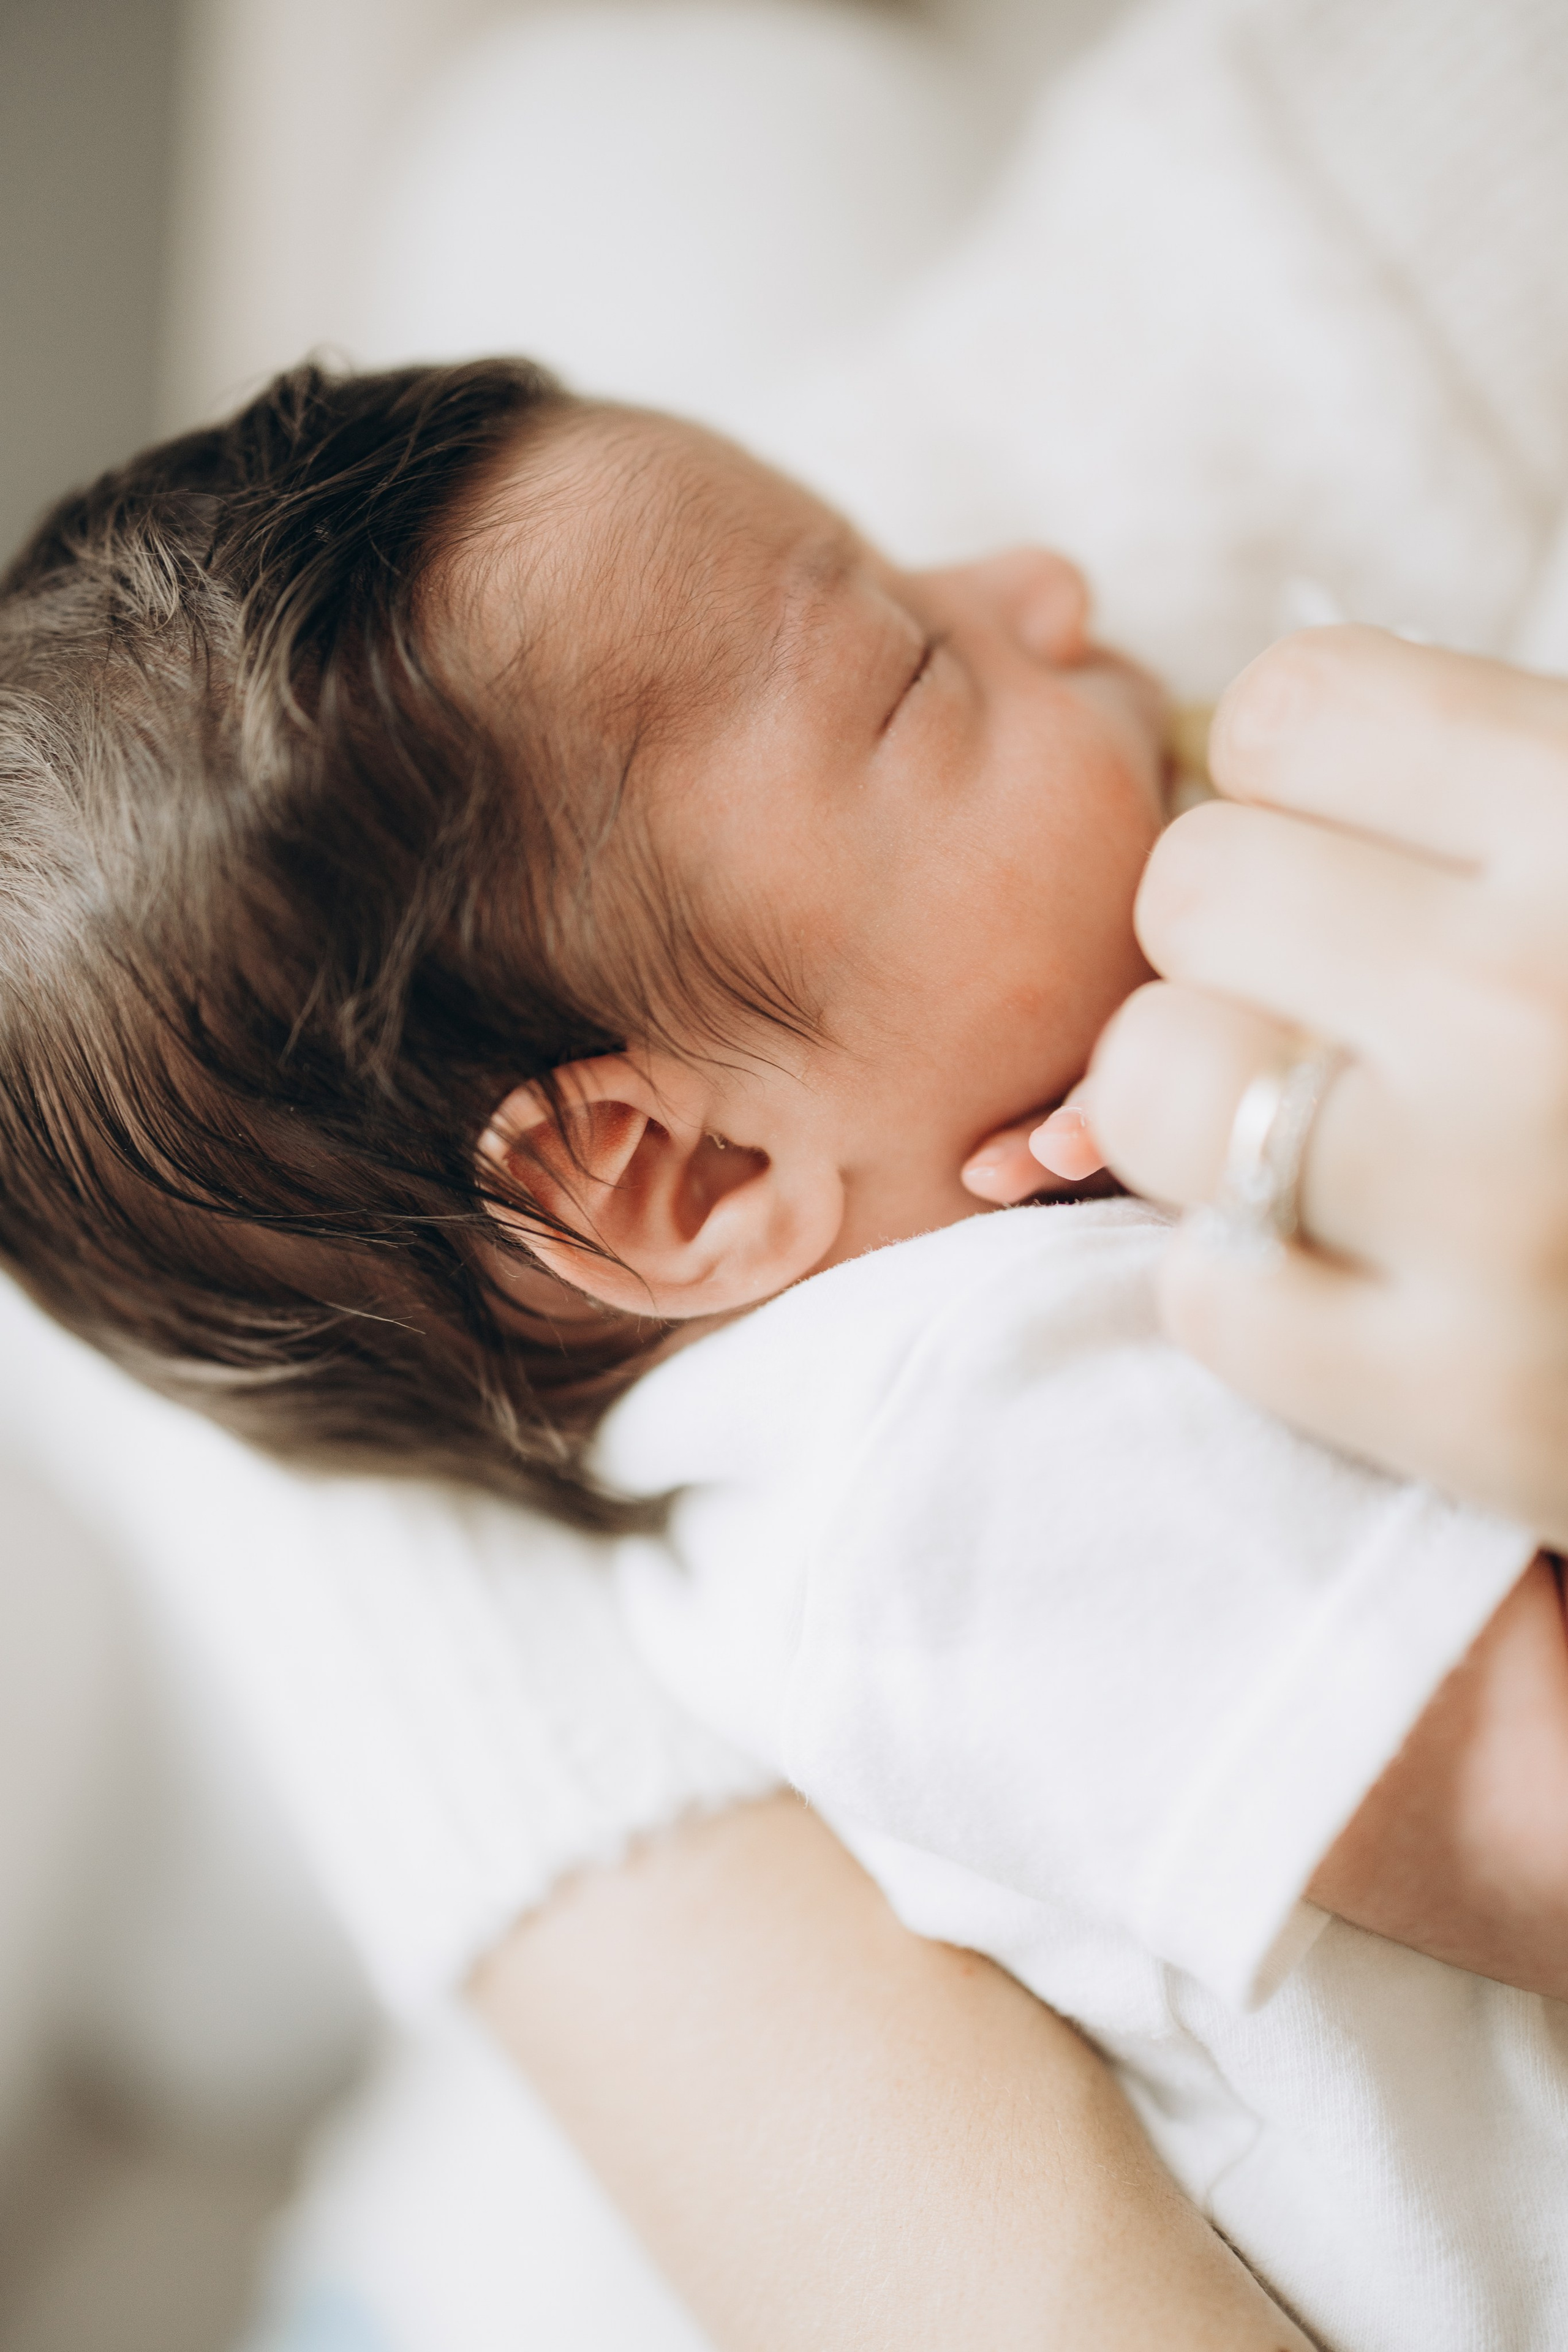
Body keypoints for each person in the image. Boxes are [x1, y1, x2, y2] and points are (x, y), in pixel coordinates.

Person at [3, 359, 1566, 2346]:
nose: (1046, 587)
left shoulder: (973, 1289)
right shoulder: (968, 1467)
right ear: (675, 1172)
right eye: (914, 668)